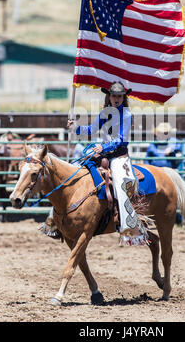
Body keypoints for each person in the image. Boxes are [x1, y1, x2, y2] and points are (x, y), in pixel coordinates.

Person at [65, 81, 149, 246]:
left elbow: (120, 140)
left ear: (123, 97)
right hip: (103, 154)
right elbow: (91, 130)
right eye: (113, 96)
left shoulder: (126, 115)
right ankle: (59, 221)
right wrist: (75, 127)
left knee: (120, 183)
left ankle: (129, 225)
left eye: (119, 96)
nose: (116, 99)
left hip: (118, 157)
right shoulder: (105, 113)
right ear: (109, 96)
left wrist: (102, 146)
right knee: (76, 174)